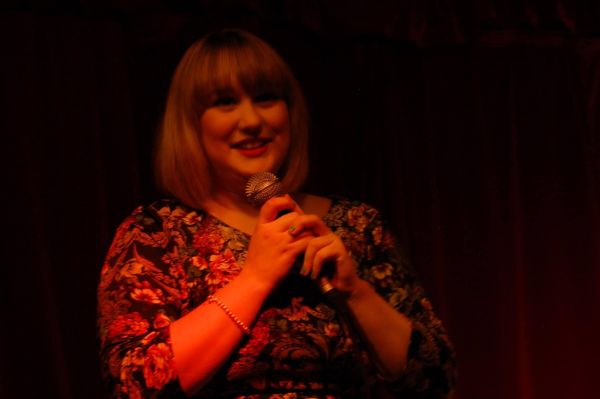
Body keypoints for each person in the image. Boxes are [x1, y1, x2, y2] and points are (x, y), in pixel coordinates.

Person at [97, 29, 457, 399]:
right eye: (225, 102)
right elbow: (134, 385)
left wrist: (356, 292)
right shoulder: (158, 233)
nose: (252, 120)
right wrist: (255, 278)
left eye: (266, 98)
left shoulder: (358, 226)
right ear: (192, 124)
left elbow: (435, 377)